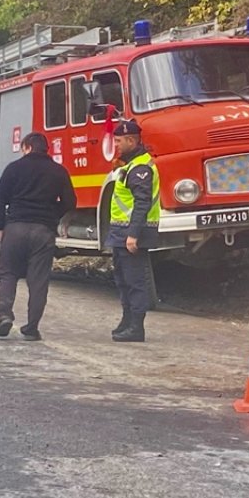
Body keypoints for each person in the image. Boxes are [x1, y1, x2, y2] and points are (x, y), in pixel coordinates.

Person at [0, 132, 76, 341]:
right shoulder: (58, 171)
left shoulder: (14, 168)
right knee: (38, 280)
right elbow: (70, 202)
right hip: (43, 231)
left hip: (16, 227)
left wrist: (1, 227)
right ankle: (31, 327)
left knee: (8, 273)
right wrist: (51, 216)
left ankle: (4, 315)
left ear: (27, 147)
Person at [106, 119, 160, 343]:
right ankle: (127, 321)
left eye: (119, 141)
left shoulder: (140, 169)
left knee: (135, 281)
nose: (116, 145)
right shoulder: (129, 165)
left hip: (132, 234)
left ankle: (136, 327)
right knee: (122, 279)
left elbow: (142, 203)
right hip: (121, 233)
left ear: (131, 140)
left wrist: (133, 234)